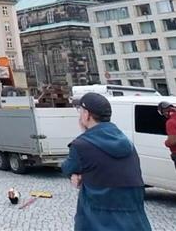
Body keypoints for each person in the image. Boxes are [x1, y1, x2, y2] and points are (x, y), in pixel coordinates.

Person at [61, 93, 151, 231]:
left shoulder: (81, 145)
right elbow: (113, 171)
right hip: (134, 221)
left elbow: (68, 167)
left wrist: (77, 176)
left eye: (81, 111)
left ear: (87, 115)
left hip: (97, 220)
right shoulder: (127, 142)